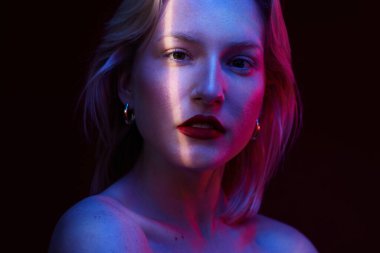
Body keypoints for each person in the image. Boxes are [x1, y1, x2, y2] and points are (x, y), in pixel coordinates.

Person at [49, 0, 318, 252]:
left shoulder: (286, 247)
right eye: (179, 55)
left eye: (239, 63)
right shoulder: (98, 234)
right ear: (127, 83)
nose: (211, 90)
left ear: (265, 95)